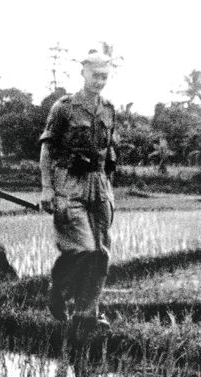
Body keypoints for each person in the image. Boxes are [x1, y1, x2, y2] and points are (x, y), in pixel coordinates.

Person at [39, 51, 118, 340]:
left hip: (99, 185)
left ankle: (86, 317)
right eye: (95, 75)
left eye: (104, 76)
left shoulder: (109, 109)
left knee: (100, 254)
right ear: (83, 73)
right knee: (82, 248)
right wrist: (48, 187)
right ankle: (58, 289)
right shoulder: (64, 108)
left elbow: (109, 152)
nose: (99, 81)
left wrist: (109, 190)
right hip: (69, 183)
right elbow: (47, 149)